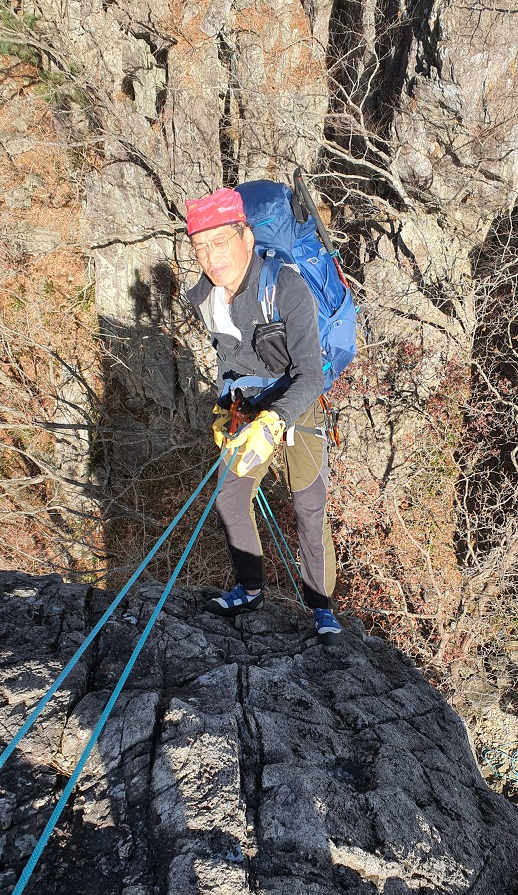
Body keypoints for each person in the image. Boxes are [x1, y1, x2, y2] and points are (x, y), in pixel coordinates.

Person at [182, 186, 342, 644]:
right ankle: (250, 589)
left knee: (308, 507)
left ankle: (322, 608)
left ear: (246, 238)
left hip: (298, 405)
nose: (211, 257)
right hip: (247, 407)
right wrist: (223, 405)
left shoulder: (286, 286)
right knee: (230, 498)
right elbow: (227, 357)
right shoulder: (205, 296)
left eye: (220, 242)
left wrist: (276, 420)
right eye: (200, 247)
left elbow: (311, 374)